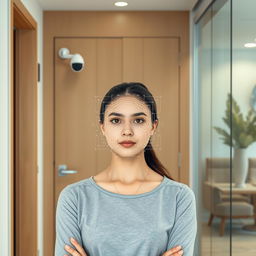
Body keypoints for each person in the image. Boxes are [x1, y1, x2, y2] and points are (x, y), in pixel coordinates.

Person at [54, 82, 197, 256]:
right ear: (103, 127)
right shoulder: (74, 198)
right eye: (116, 120)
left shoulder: (179, 198)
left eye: (138, 120)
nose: (127, 131)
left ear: (153, 126)